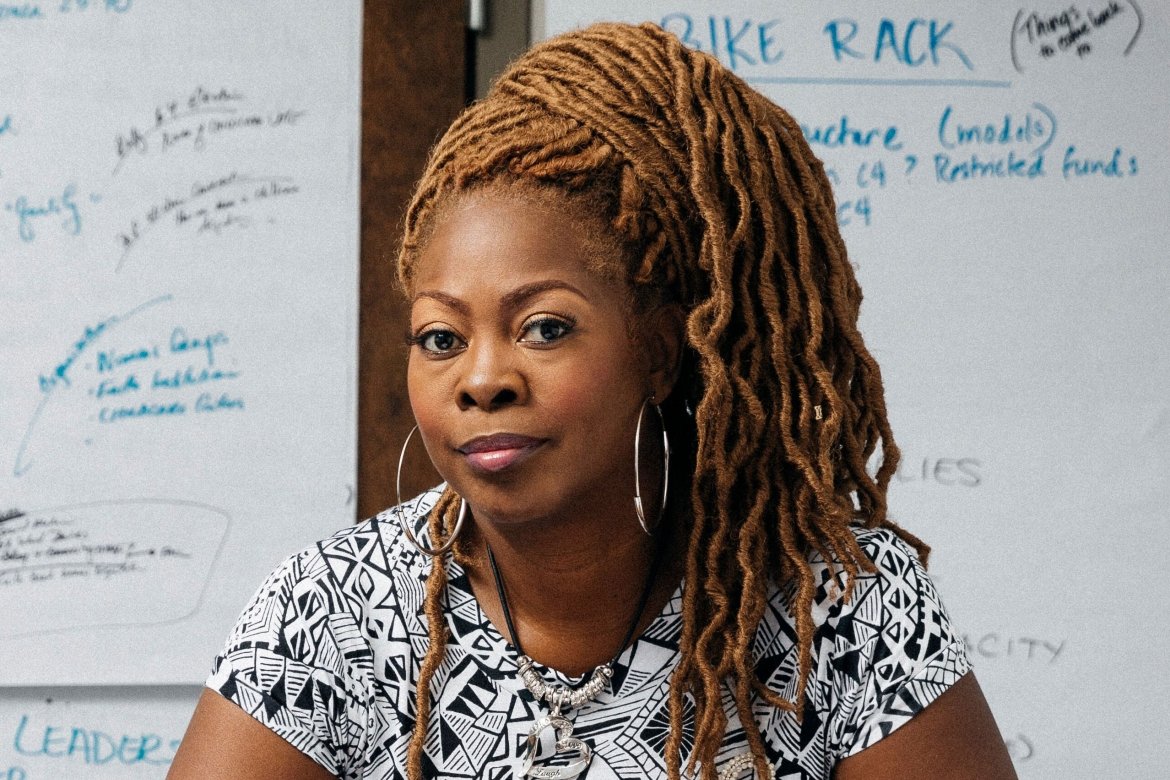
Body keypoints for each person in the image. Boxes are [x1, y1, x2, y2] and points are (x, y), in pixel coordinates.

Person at [169, 21, 1017, 780]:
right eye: (441, 337)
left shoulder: (834, 607)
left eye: (543, 328)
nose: (481, 377)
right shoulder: (329, 615)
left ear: (656, 350)